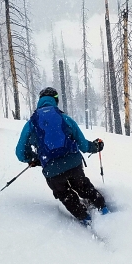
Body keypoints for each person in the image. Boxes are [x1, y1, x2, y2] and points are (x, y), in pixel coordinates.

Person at [15, 87, 108, 225]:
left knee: (65, 194)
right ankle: (104, 210)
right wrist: (96, 146)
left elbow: (20, 153)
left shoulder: (31, 124)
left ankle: (85, 218)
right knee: (83, 187)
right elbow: (83, 145)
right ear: (55, 100)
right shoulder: (65, 119)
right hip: (74, 164)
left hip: (52, 171)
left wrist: (34, 159)